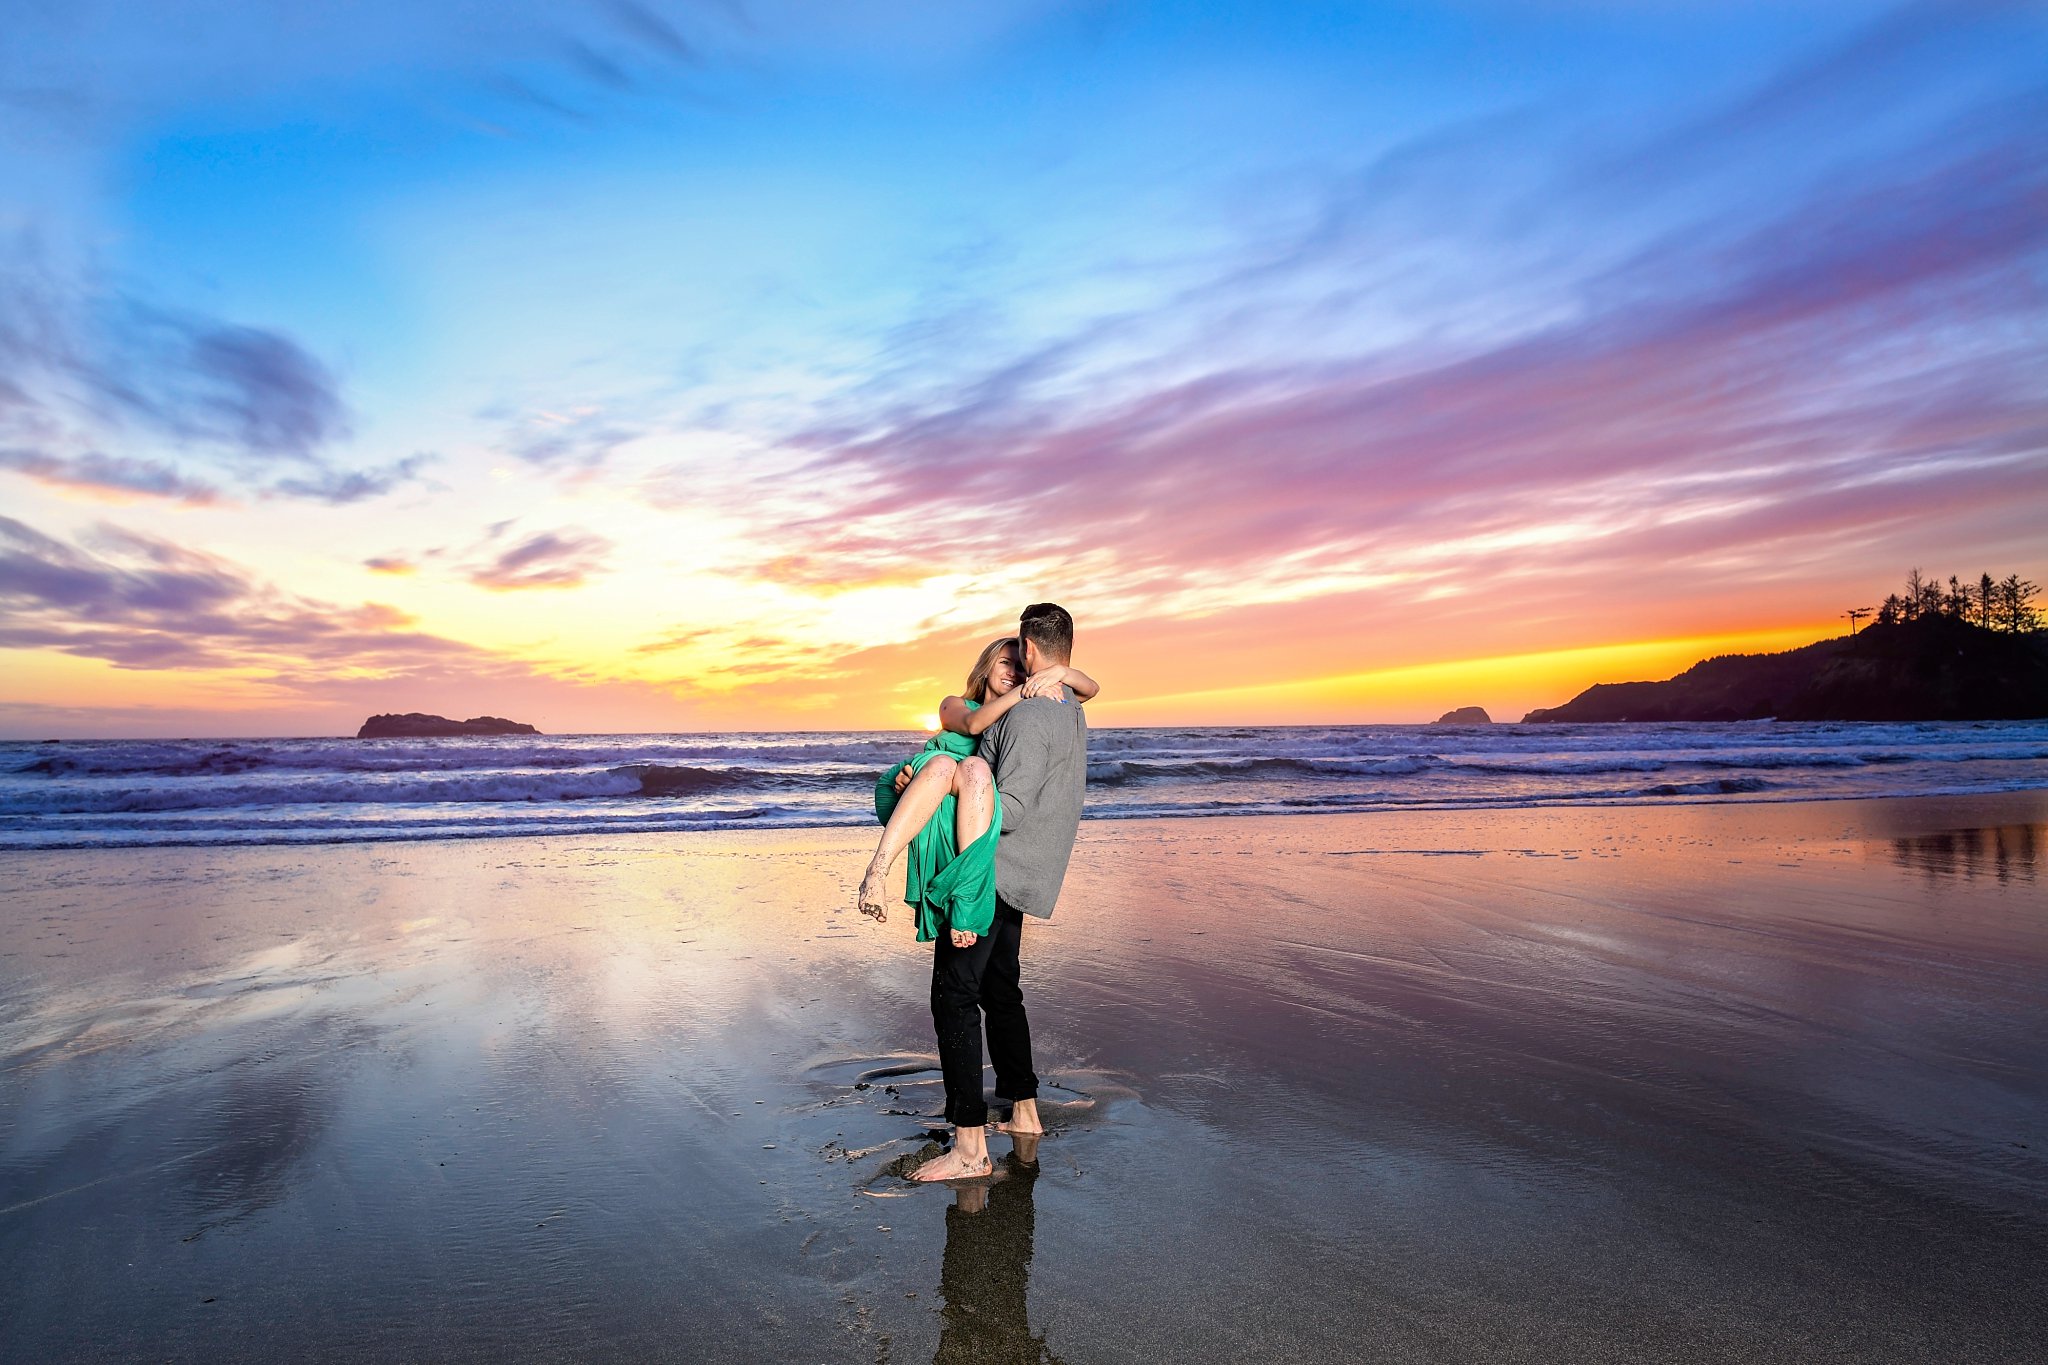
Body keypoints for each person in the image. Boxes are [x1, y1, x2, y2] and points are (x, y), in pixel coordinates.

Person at [899, 602, 1092, 1183]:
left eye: (1018, 657)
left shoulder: (1031, 717)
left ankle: (969, 1147)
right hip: (1022, 869)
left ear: (1030, 653)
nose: (1011, 669)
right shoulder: (1066, 707)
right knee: (1001, 989)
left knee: (954, 993)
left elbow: (1008, 809)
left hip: (993, 872)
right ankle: (1025, 1113)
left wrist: (940, 792)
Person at [857, 637, 1096, 945]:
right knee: (948, 764)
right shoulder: (954, 703)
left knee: (976, 769)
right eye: (1005, 663)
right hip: (925, 777)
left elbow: (1090, 689)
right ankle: (877, 871)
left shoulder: (1018, 716)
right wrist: (1024, 692)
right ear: (986, 668)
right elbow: (971, 725)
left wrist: (1059, 672)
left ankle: (965, 900)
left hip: (965, 791)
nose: (1014, 673)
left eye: (1021, 667)